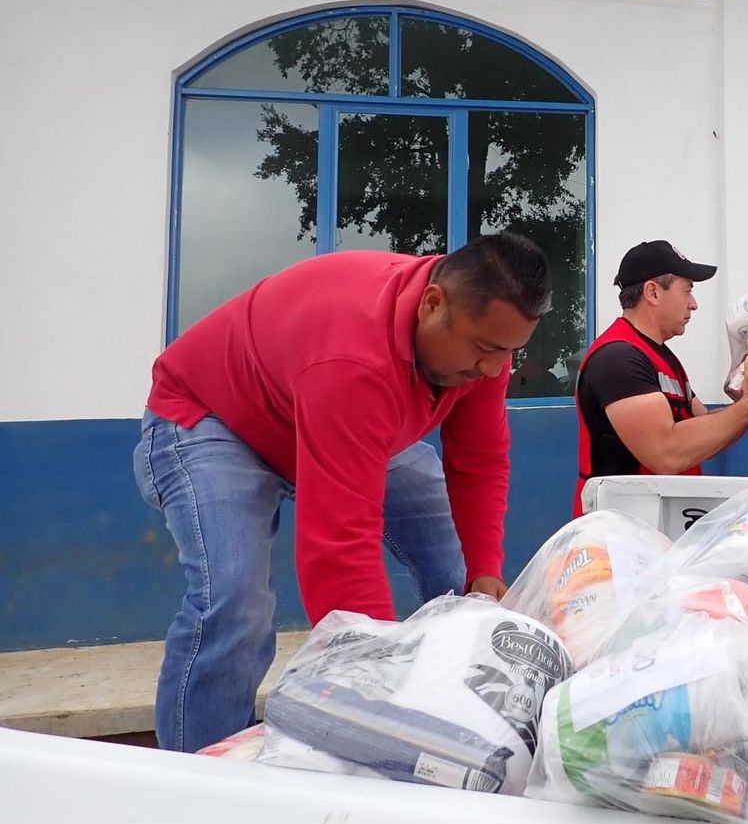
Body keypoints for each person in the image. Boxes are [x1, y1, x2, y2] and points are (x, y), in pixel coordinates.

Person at [136, 233, 553, 753]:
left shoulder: (484, 335)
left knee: (462, 580)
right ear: (432, 304)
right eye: (486, 350)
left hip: (328, 419)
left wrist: (485, 569)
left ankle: (466, 717)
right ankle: (203, 775)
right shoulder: (353, 358)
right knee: (235, 599)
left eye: (509, 353)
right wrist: (377, 702)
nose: (494, 369)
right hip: (214, 420)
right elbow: (339, 544)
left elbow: (480, 458)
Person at [574, 240, 748, 513]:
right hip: (621, 530)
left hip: (662, 524)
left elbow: (706, 429)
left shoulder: (662, 357)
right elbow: (666, 453)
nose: (693, 304)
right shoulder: (617, 359)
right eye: (687, 291)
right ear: (653, 292)